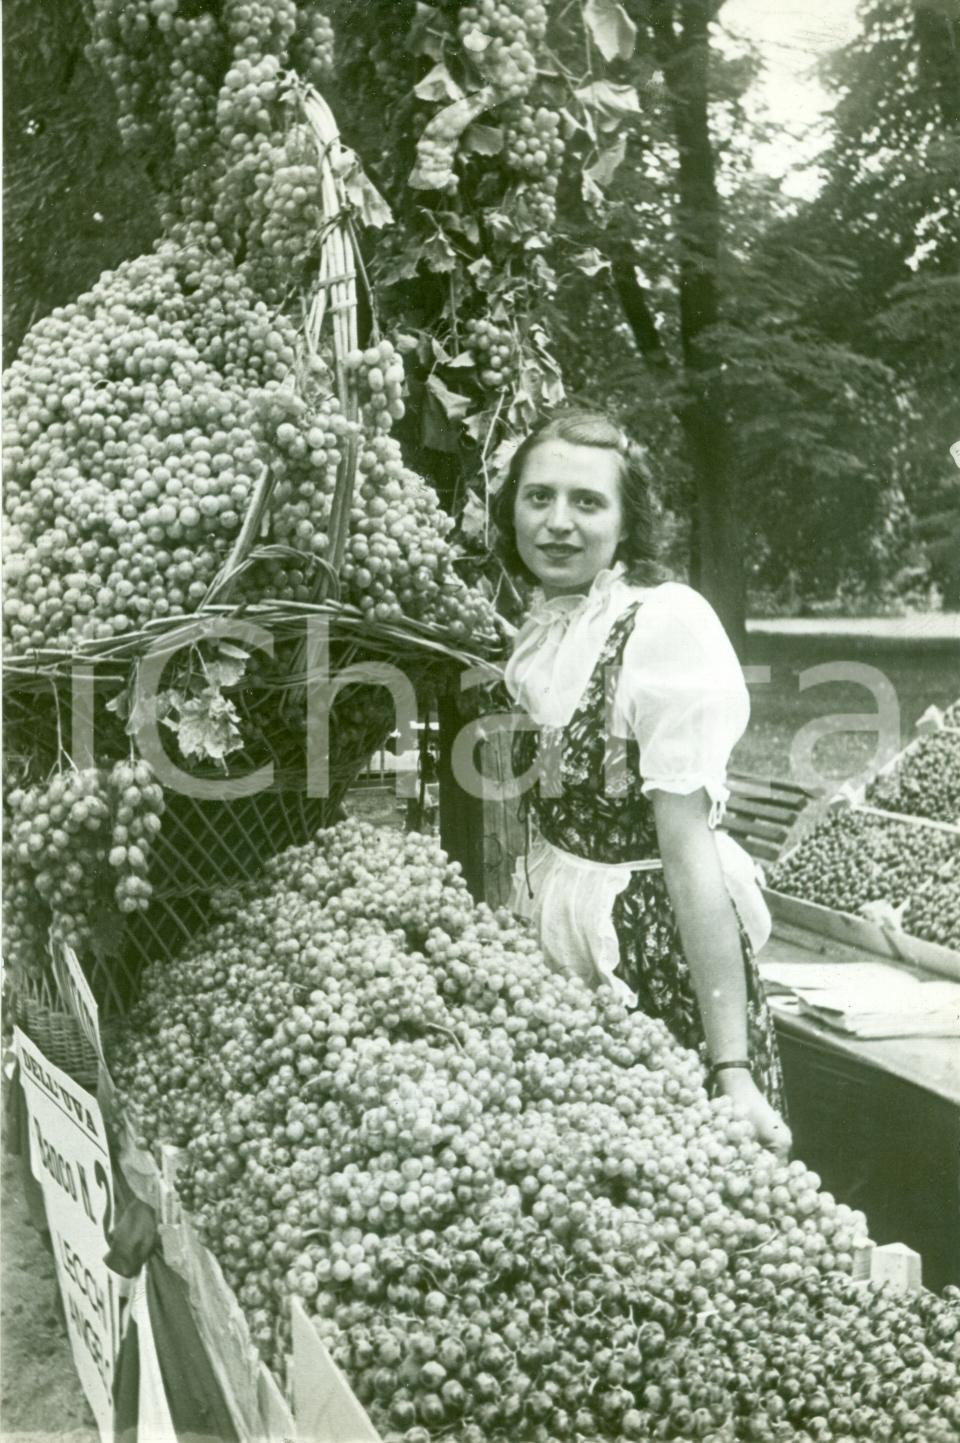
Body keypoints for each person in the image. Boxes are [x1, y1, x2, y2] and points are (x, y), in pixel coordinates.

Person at [495, 408, 791, 1156]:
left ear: (627, 522)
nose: (558, 523)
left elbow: (689, 855)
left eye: (588, 502)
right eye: (539, 497)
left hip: (660, 965)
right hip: (565, 953)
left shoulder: (663, 628)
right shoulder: (548, 626)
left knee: (683, 1199)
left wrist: (732, 1067)